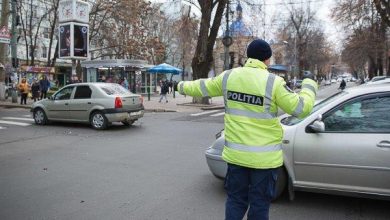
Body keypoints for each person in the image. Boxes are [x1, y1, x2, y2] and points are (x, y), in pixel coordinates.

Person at [177, 39, 318, 220]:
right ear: (267, 60)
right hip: (264, 162)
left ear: (249, 57)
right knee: (259, 204)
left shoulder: (229, 76)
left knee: (236, 201)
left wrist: (179, 86)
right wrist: (309, 86)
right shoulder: (274, 82)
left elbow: (202, 86)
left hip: (237, 158)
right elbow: (301, 108)